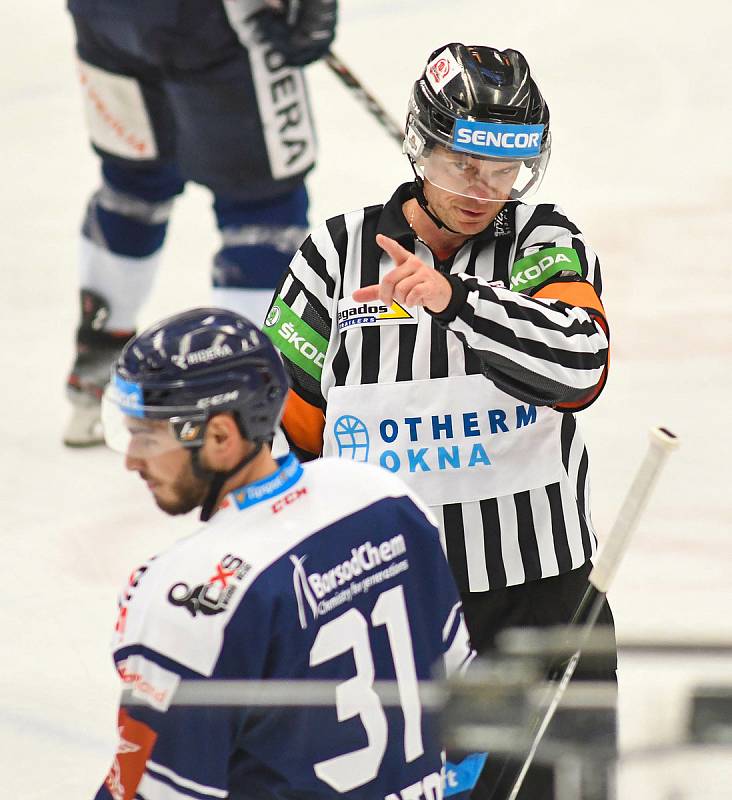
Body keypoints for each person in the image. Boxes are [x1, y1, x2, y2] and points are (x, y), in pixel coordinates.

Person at [264, 43, 617, 798]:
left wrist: (455, 302)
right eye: (464, 164)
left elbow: (579, 367)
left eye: (505, 169)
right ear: (422, 144)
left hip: (538, 599)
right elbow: (287, 431)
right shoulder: (333, 255)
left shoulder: (543, 242)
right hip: (385, 602)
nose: (484, 189)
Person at [96, 306, 473, 800]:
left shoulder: (184, 593)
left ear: (220, 437)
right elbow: (467, 714)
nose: (131, 459)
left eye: (146, 436)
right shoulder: (381, 495)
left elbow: (154, 792)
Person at [63, 0, 337, 447]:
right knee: (262, 208)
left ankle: (97, 367)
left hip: (103, 17)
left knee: (133, 181)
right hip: (212, 20)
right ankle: (246, 406)